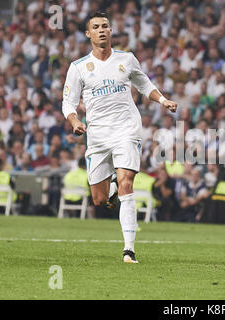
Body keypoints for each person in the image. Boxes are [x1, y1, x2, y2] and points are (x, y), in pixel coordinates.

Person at [61, 12, 177, 264]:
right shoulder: (78, 67)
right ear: (88, 34)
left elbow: (145, 84)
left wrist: (163, 100)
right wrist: (75, 121)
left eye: (105, 26)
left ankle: (129, 250)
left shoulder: (127, 59)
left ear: (111, 31)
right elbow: (68, 103)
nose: (101, 30)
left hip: (127, 130)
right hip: (98, 136)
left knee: (127, 185)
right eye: (96, 27)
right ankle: (111, 187)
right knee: (99, 199)